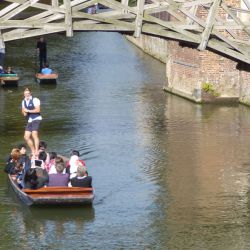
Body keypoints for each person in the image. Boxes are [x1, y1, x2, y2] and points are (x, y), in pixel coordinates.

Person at [21, 88, 42, 157]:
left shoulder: (35, 100)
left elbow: (38, 110)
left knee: (34, 134)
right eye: (25, 94)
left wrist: (28, 111)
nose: (26, 95)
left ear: (30, 93)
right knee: (26, 136)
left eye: (28, 94)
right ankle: (33, 150)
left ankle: (36, 151)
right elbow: (23, 110)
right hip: (30, 120)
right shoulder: (23, 101)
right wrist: (24, 112)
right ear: (24, 94)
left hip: (36, 118)